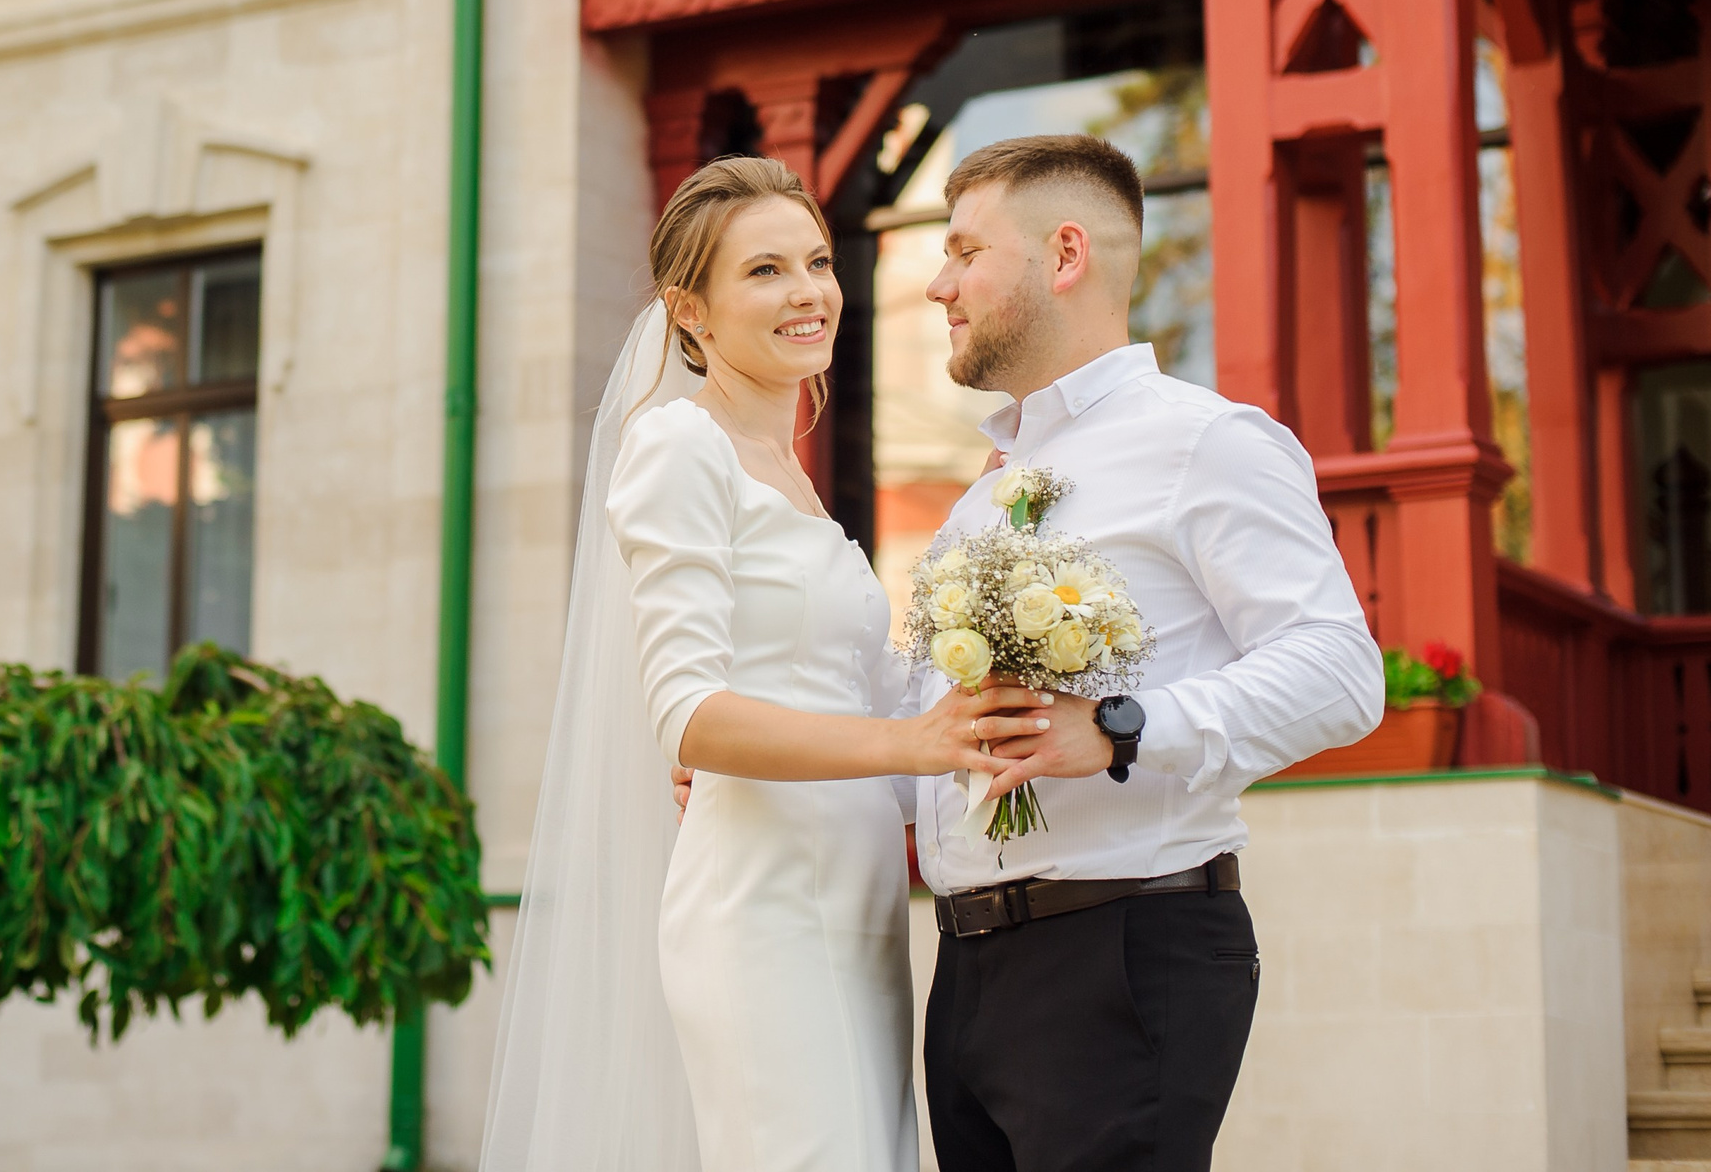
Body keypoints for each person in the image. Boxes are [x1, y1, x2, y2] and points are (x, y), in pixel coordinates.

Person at [480, 155, 1051, 1172]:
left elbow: (834, 683)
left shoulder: (788, 472)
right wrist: (907, 739)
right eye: (765, 272)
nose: (807, 293)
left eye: (819, 262)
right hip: (762, 906)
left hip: (857, 899)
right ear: (687, 310)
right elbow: (690, 714)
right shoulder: (675, 448)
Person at [901, 132, 1384, 1171]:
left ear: (1062, 254)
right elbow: (933, 735)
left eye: (964, 251)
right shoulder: (980, 492)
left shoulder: (1206, 442)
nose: (938, 284)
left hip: (1121, 951)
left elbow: (1341, 672)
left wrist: (1122, 727)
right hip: (966, 966)